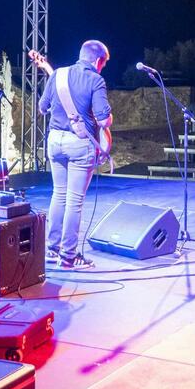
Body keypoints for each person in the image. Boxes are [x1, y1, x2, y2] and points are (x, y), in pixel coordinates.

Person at [39, 40, 112, 268]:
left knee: (58, 195)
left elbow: (42, 108)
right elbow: (103, 120)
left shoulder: (58, 74)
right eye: (103, 64)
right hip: (79, 144)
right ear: (98, 61)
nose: (102, 68)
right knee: (74, 201)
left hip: (55, 141)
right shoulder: (95, 80)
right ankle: (68, 256)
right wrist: (108, 118)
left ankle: (51, 249)